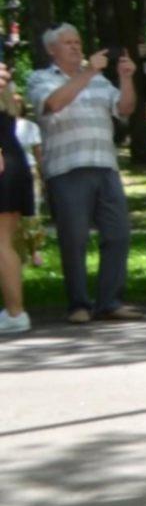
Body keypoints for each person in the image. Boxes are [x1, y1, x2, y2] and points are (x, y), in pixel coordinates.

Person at [28, 23, 138, 323]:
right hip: (66, 168)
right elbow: (53, 104)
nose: (76, 47)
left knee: (118, 234)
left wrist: (126, 79)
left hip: (105, 165)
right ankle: (78, 304)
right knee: (73, 239)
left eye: (78, 41)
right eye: (68, 43)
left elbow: (125, 108)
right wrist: (88, 72)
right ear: (52, 50)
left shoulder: (100, 80)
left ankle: (110, 301)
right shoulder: (40, 78)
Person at [0, 72, 34, 335]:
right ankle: (14, 311)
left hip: (4, 166)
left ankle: (15, 313)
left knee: (1, 242)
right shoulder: (7, 103)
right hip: (13, 164)